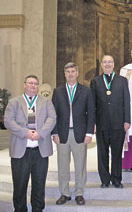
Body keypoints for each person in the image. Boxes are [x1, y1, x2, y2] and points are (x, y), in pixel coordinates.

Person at [4, 75, 56, 212]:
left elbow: (52, 118)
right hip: (21, 151)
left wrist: (41, 133)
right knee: (20, 185)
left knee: (39, 185)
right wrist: (25, 132)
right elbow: (8, 121)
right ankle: (20, 209)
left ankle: (38, 209)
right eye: (30, 83)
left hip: (40, 150)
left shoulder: (46, 102)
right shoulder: (14, 102)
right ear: (24, 85)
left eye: (35, 84)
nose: (33, 86)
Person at [52, 62, 95, 205]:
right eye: (67, 72)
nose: (70, 74)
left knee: (80, 164)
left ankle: (79, 192)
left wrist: (89, 132)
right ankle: (64, 192)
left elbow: (91, 113)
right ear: (64, 74)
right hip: (62, 134)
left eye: (73, 71)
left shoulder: (86, 91)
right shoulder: (57, 92)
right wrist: (54, 133)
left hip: (80, 134)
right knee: (62, 165)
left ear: (77, 73)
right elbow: (53, 114)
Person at [90, 55, 131, 188]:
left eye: (110, 62)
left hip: (118, 122)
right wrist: (93, 123)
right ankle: (105, 180)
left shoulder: (122, 80)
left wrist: (127, 120)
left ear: (114, 64)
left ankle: (117, 179)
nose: (107, 64)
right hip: (101, 123)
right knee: (102, 153)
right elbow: (92, 104)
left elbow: (127, 102)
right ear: (101, 65)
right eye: (105, 62)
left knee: (117, 152)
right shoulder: (95, 81)